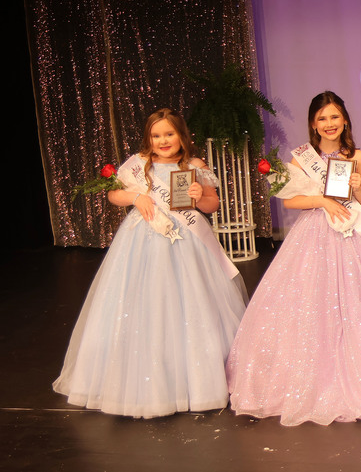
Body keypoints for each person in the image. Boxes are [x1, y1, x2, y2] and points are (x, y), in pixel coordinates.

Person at [226, 91, 361, 426]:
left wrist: (356, 187)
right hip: (314, 234)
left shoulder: (355, 155)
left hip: (353, 230)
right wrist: (323, 201)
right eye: (322, 118)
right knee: (312, 302)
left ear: (345, 120)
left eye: (335, 117)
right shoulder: (302, 158)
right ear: (314, 123)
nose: (329, 124)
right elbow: (290, 202)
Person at [53, 108, 246, 418]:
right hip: (142, 240)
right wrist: (135, 198)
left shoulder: (194, 165)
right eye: (156, 136)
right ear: (148, 139)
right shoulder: (139, 164)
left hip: (188, 242)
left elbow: (213, 203)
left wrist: (199, 197)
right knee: (147, 302)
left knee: (192, 303)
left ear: (182, 136)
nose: (163, 140)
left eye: (169, 134)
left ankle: (198, 380)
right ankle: (145, 381)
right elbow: (115, 194)